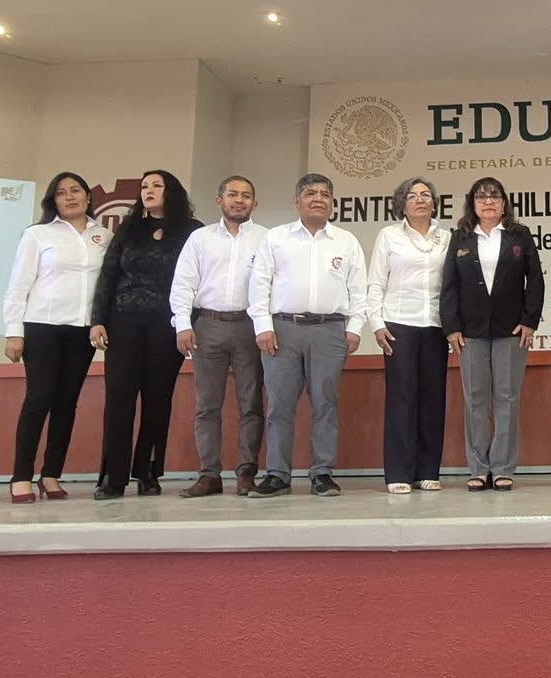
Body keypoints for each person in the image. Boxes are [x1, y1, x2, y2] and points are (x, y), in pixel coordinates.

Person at [248, 173, 365, 497]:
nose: (318, 199)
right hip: (282, 330)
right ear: (297, 201)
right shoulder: (276, 238)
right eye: (311, 193)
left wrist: (354, 328)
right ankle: (277, 475)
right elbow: (259, 284)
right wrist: (263, 326)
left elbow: (359, 289)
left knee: (326, 403)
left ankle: (322, 473)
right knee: (279, 405)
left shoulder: (346, 241)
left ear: (332, 202)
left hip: (330, 330)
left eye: (325, 194)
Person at [89, 170, 200, 499]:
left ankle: (148, 471)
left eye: (156, 185)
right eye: (144, 186)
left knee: (158, 399)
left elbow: (198, 280)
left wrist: (188, 323)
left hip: (167, 325)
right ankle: (113, 476)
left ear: (172, 191)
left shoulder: (192, 231)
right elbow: (108, 274)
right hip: (123, 321)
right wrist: (98, 320)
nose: (148, 190)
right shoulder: (129, 227)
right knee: (119, 398)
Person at [1, 172, 109, 503]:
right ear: (54, 200)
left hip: (82, 330)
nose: (70, 197)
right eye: (62, 193)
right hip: (42, 326)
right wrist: (13, 331)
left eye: (76, 190)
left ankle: (51, 474)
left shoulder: (104, 236)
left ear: (88, 196)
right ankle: (21, 476)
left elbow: (107, 286)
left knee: (66, 402)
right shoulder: (38, 234)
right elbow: (18, 285)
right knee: (39, 398)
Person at [441, 176, 543, 492]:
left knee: (507, 397)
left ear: (504, 203)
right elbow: (449, 285)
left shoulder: (519, 235)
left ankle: (502, 468)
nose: (488, 201)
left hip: (511, 329)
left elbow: (535, 280)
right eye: (481, 196)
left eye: (494, 196)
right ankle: (478, 468)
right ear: (472, 203)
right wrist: (451, 326)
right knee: (475, 398)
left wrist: (530, 321)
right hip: (470, 331)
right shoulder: (460, 237)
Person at [170, 175, 267, 498]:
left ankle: (246, 473)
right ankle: (209, 474)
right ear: (219, 200)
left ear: (255, 203)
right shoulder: (200, 238)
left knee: (251, 404)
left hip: (249, 326)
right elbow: (183, 283)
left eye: (246, 196)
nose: (239, 200)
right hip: (207, 325)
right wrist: (182, 324)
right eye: (233, 194)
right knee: (207, 405)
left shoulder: (267, 239)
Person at [367, 177, 452, 494]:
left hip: (435, 325)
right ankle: (398, 473)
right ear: (402, 204)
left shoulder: (447, 238)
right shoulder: (388, 235)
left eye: (426, 195)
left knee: (433, 399)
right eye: (413, 196)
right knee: (401, 399)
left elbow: (452, 285)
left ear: (434, 203)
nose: (420, 200)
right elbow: (376, 282)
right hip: (398, 325)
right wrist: (376, 323)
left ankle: (427, 470)